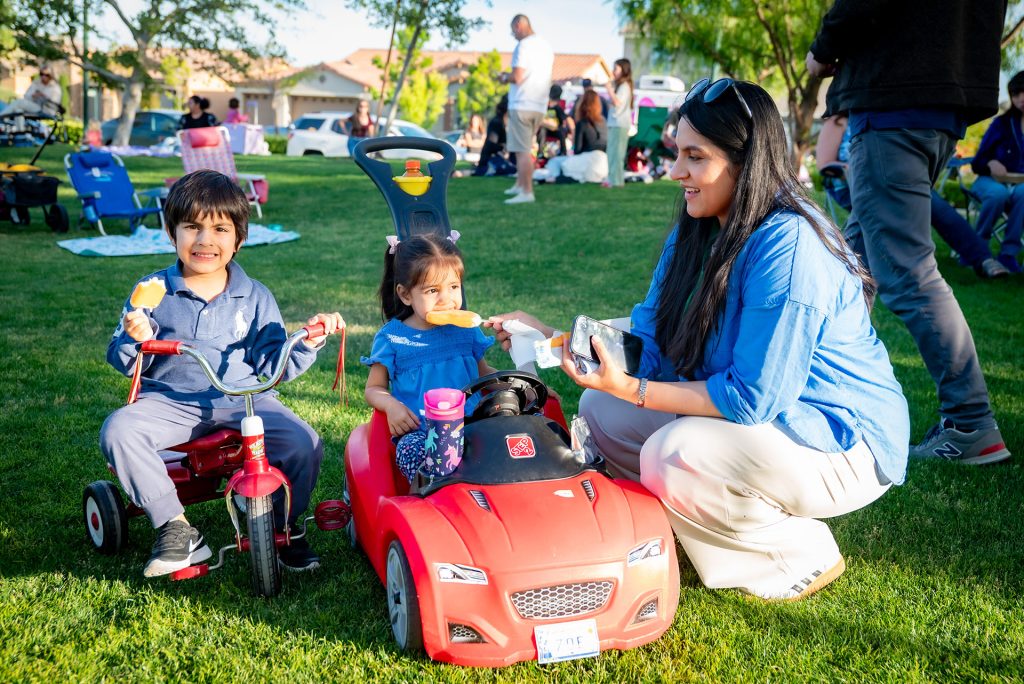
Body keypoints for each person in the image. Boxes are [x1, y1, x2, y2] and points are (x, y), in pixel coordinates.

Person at [488, 79, 910, 601]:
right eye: (677, 153)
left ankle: (794, 552)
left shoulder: (790, 246)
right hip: (767, 423)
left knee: (676, 452)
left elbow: (750, 399)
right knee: (600, 407)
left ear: (745, 160)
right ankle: (679, 523)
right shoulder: (703, 223)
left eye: (695, 156)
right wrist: (554, 339)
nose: (676, 171)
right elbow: (651, 340)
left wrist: (636, 390)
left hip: (839, 442)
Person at [99, 170, 344, 577]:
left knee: (305, 443)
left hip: (246, 399)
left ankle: (284, 526)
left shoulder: (256, 295)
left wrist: (308, 342)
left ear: (239, 239)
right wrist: (134, 336)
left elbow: (272, 365)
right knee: (119, 431)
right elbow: (123, 360)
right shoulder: (153, 289)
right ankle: (175, 528)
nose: (205, 240)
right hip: (171, 401)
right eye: (192, 227)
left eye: (219, 229)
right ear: (171, 234)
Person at [807, 0, 1011, 464]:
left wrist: (822, 51)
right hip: (937, 104)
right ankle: (815, 383)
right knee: (848, 263)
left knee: (907, 273)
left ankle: (970, 422)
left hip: (893, 104)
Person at [362, 233, 495, 482]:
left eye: (453, 287)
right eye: (433, 290)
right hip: (423, 432)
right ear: (406, 295)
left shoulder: (467, 330)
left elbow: (483, 373)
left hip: (475, 423)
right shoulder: (392, 339)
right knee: (412, 453)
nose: (447, 299)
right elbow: (374, 388)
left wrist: (520, 385)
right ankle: (434, 494)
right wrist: (392, 406)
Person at [816, 114, 1009, 279]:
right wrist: (854, 169)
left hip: (893, 182)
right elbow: (824, 164)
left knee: (933, 203)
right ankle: (915, 269)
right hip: (851, 186)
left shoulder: (883, 117)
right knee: (905, 206)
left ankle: (982, 259)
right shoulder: (839, 121)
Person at [968, 70, 1024, 274]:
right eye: (1017, 94)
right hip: (989, 181)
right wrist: (991, 162)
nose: (1021, 98)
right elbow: (977, 162)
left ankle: (1008, 254)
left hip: (1020, 187)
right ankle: (976, 250)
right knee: (998, 193)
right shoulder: (1001, 124)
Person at [504, 14, 553, 205]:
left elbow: (517, 77)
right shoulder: (546, 46)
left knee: (521, 150)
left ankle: (527, 191)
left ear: (519, 25)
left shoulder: (523, 46)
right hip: (539, 105)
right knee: (526, 148)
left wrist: (502, 78)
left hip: (522, 103)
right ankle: (520, 184)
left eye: (512, 30)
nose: (513, 35)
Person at [533, 90, 608, 184]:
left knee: (555, 161)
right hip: (605, 164)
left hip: (589, 161)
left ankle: (553, 178)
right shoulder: (603, 121)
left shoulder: (583, 123)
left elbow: (577, 150)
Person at [603, 59, 634, 187]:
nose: (613, 71)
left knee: (616, 153)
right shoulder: (622, 86)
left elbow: (617, 102)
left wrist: (609, 90)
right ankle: (613, 179)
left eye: (616, 69)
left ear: (623, 70)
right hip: (615, 123)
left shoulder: (624, 86)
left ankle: (616, 181)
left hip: (619, 124)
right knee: (612, 152)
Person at [538, 84, 574, 157]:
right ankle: (541, 152)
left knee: (561, 132)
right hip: (547, 128)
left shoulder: (558, 107)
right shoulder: (545, 106)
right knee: (542, 131)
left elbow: (563, 119)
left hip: (557, 128)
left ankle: (563, 152)